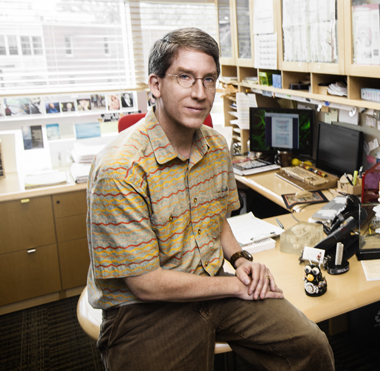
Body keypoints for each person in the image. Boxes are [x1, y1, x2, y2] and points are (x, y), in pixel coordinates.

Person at [86, 28, 335, 371]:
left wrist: (240, 260)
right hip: (144, 309)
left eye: (209, 79)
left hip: (214, 283)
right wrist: (233, 286)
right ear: (156, 85)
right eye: (185, 77)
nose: (200, 93)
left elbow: (215, 218)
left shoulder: (216, 147)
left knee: (311, 347)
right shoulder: (120, 169)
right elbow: (146, 284)